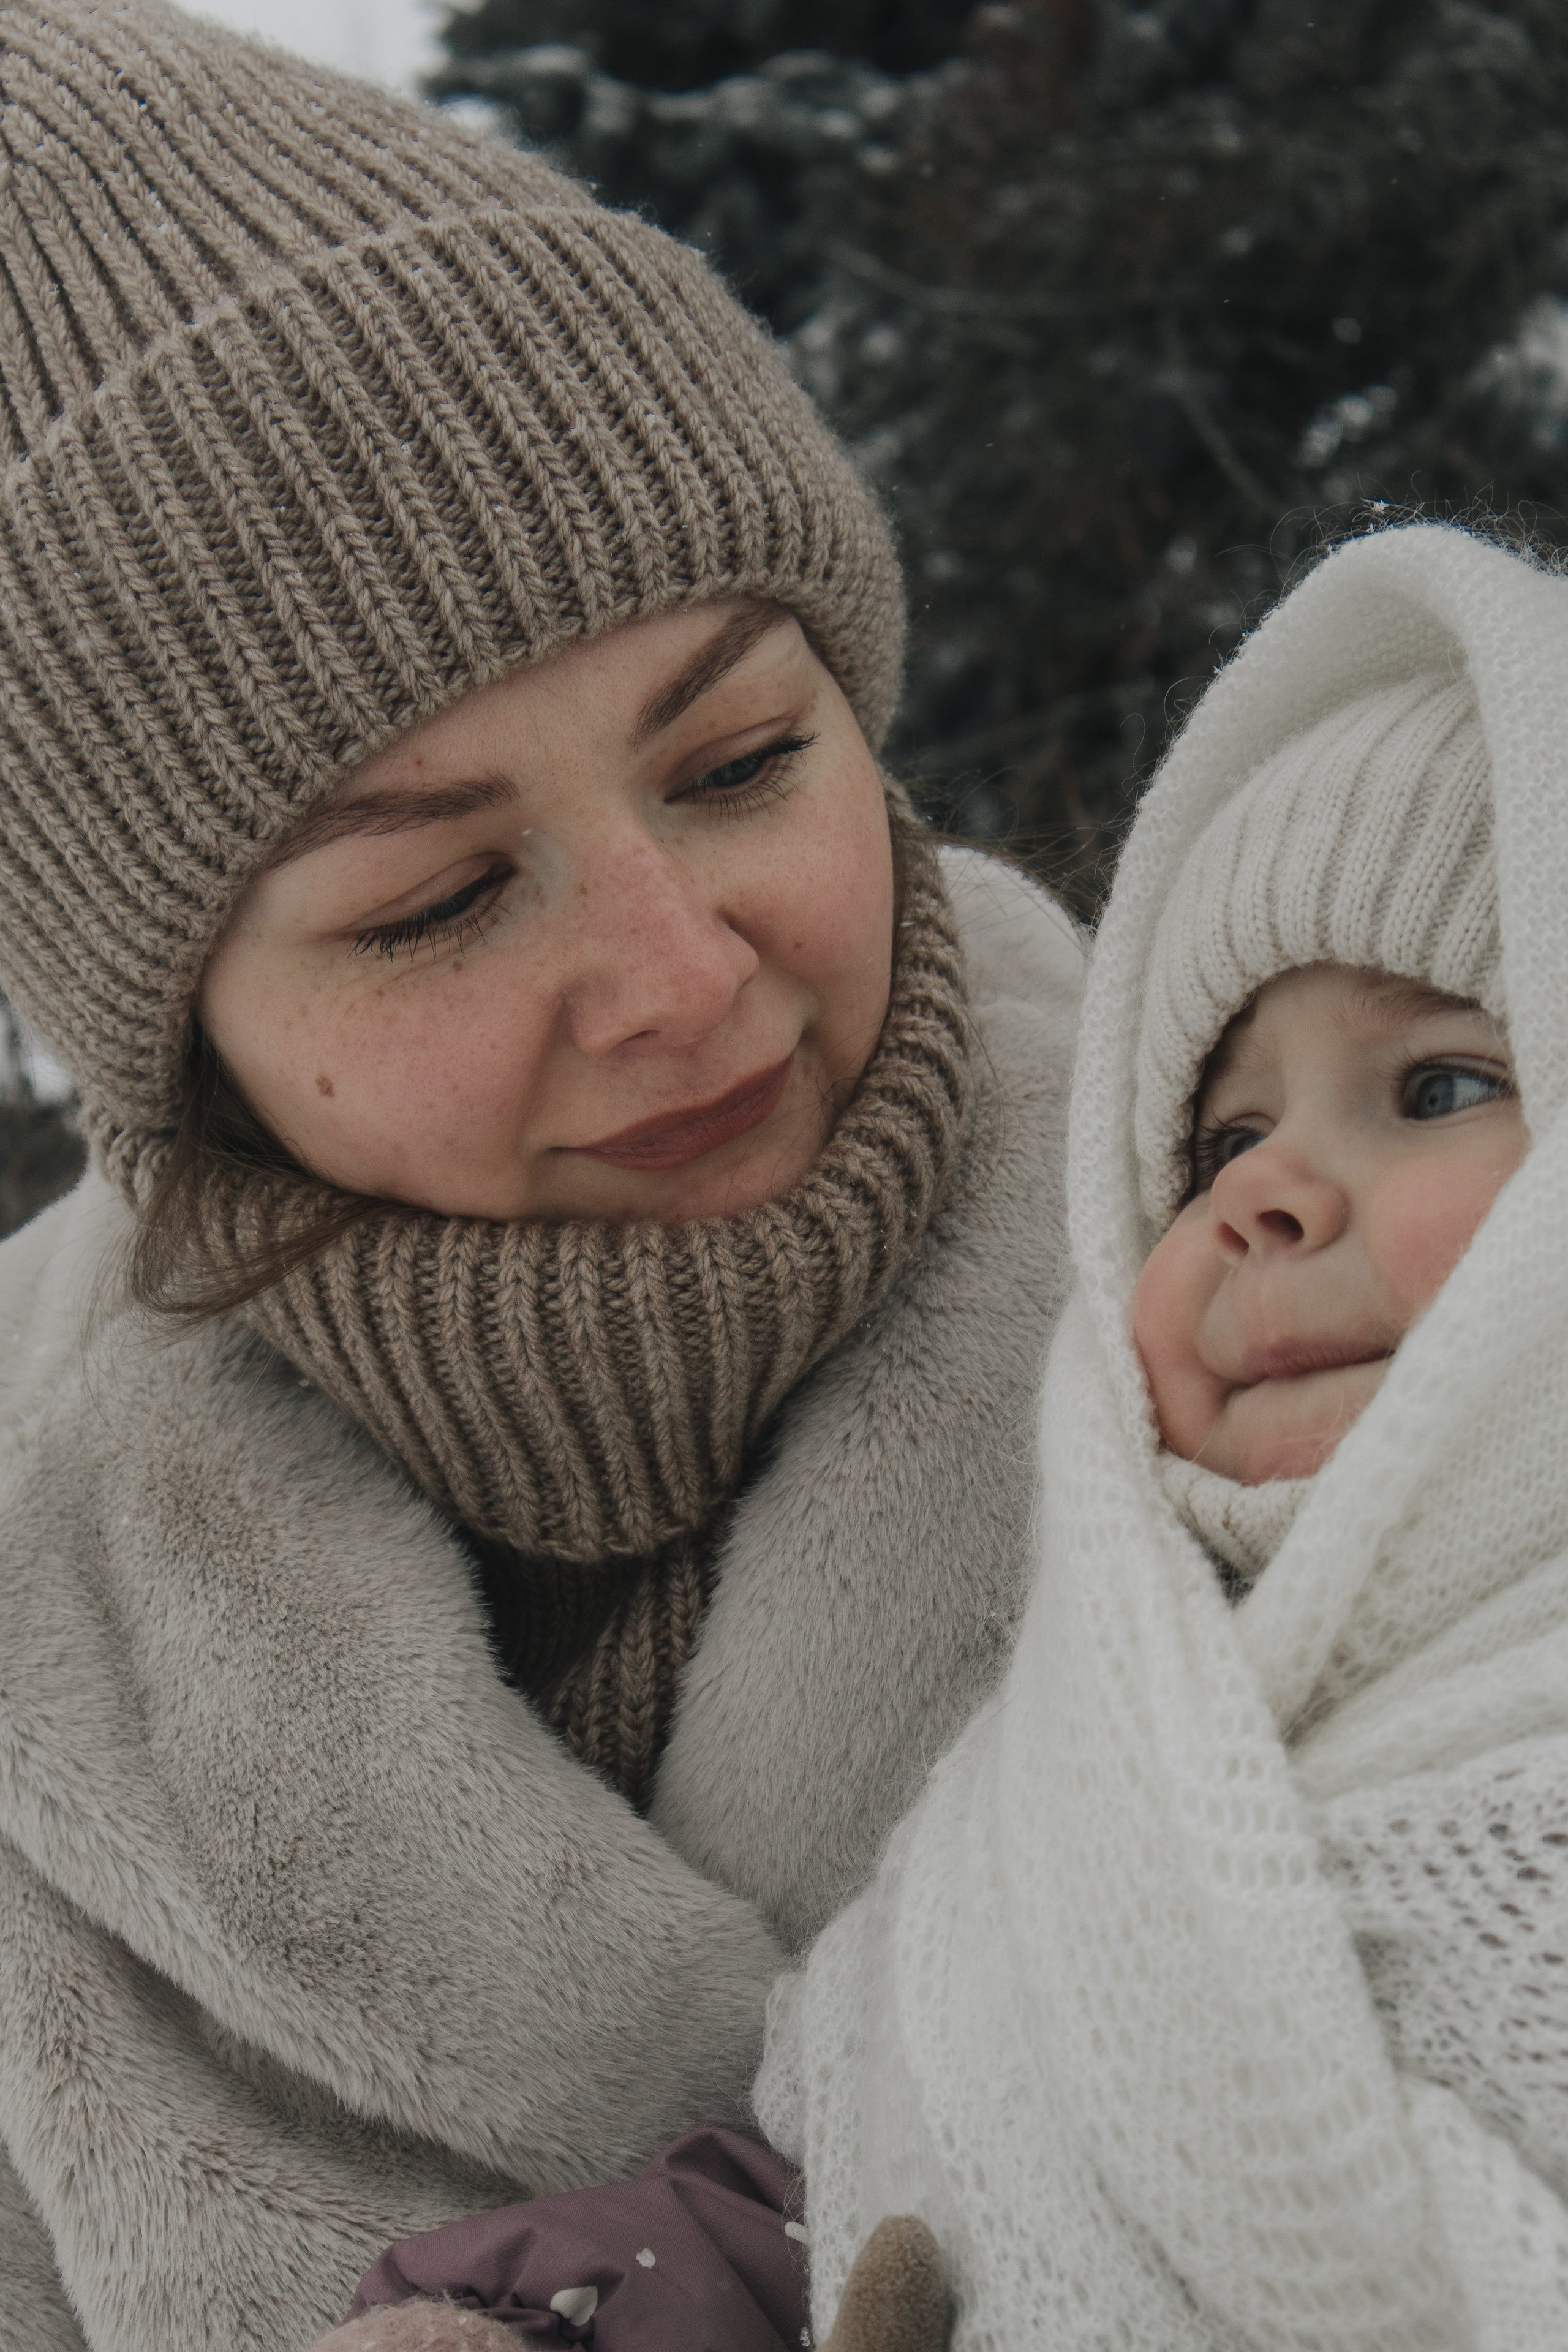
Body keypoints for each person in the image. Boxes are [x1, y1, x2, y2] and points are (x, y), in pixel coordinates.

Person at [0, 7, 1085, 2350]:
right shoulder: (29, 1659)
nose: (680, 977)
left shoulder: (1355, 1263)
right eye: (430, 903)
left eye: (740, 759)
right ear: (172, 1032)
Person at [761, 521, 1568, 2350]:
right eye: (1218, 1144)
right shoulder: (1055, 1767)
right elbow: (832, 2127)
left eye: (1440, 1084)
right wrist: (563, 2302)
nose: (1271, 1190)